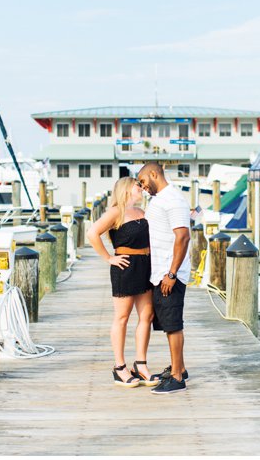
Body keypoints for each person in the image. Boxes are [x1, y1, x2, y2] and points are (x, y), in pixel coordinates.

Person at [86, 176, 160, 388]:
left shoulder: (142, 212)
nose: (142, 189)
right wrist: (109, 258)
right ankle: (120, 368)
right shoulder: (116, 211)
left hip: (146, 265)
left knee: (147, 315)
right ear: (127, 188)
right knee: (122, 317)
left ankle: (141, 364)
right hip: (125, 267)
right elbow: (92, 233)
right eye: (139, 186)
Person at [137, 162, 192, 395]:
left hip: (170, 275)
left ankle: (178, 378)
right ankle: (179, 367)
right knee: (168, 324)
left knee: (173, 326)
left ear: (153, 174)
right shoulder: (159, 199)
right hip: (159, 273)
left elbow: (183, 237)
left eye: (142, 181)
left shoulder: (173, 199)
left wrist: (171, 274)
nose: (142, 186)